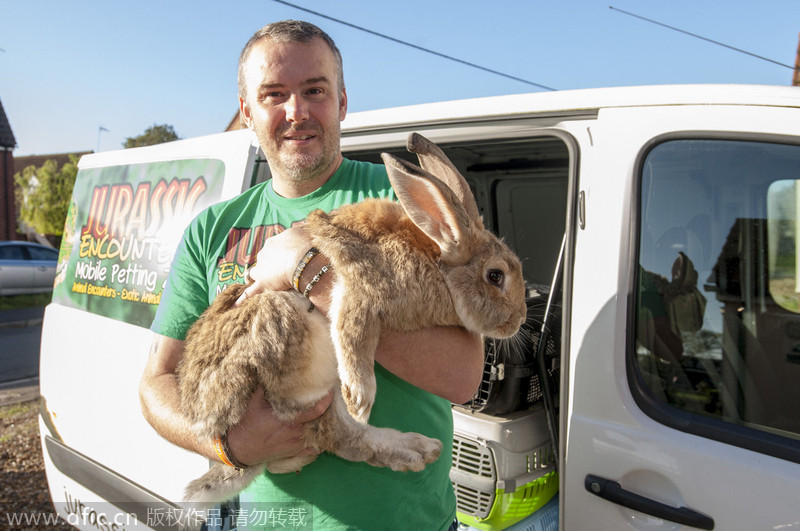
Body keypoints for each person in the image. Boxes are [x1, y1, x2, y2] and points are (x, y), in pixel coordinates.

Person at [138, 20, 483, 530]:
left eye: (314, 91)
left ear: (342, 100)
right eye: (273, 94)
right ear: (247, 112)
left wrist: (310, 275)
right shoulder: (212, 229)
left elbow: (463, 377)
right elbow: (156, 382)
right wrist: (227, 445)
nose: (295, 111)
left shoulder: (400, 210)